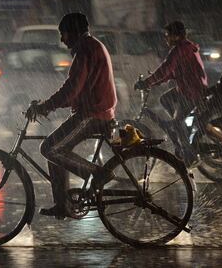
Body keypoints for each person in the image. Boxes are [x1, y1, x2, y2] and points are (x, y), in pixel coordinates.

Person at [25, 12, 117, 219]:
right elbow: (75, 89)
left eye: (63, 33)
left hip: (94, 114)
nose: (62, 39)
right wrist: (48, 105)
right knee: (54, 148)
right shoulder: (90, 46)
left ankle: (98, 173)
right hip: (95, 110)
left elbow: (72, 88)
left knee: (49, 148)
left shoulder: (85, 50)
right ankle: (62, 204)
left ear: (74, 32)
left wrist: (46, 106)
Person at [135, 21, 208, 167]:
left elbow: (165, 69)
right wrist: (153, 82)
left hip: (191, 90)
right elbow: (172, 72)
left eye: (167, 35)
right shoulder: (187, 47)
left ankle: (190, 155)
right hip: (190, 87)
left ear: (175, 36)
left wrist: (147, 82)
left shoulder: (179, 50)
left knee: (177, 122)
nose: (165, 39)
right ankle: (180, 128)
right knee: (165, 99)